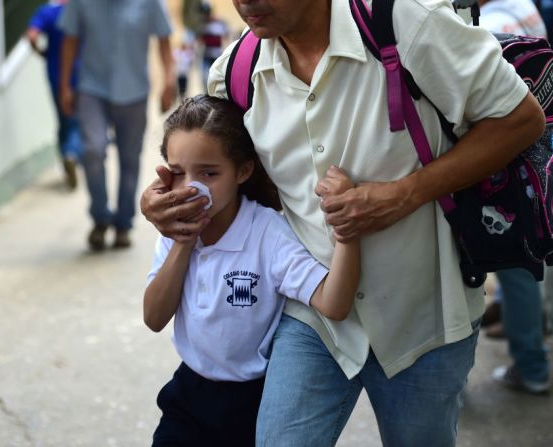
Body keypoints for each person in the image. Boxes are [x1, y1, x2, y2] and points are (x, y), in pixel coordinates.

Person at [140, 0, 545, 445]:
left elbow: (520, 119)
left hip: (426, 315)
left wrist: (405, 194)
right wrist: (165, 204)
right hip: (314, 316)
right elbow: (222, 174)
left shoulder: (406, 23)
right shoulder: (235, 73)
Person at [144, 94, 360, 446]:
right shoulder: (174, 230)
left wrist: (348, 232)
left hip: (251, 402)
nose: (190, 188)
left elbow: (333, 304)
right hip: (188, 393)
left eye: (209, 173)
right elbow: (154, 317)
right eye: (178, 173)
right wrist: (184, 241)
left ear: (243, 170)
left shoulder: (267, 234)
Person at [58, 0, 176, 251]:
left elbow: (164, 40)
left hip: (134, 91)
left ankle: (123, 224)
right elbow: (70, 40)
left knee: (130, 159)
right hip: (92, 89)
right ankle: (100, 218)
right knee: (92, 150)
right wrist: (65, 86)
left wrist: (168, 81)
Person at [477, 0, 551, 395]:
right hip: (535, 158)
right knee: (529, 262)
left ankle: (533, 367)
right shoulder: (521, 5)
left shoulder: (490, 24)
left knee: (516, 268)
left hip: (504, 166)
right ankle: (531, 344)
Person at [26, 0, 82, 190]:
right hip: (80, 74)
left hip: (56, 76)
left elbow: (32, 36)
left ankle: (67, 155)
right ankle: (72, 154)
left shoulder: (47, 12)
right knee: (78, 121)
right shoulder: (79, 9)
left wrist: (41, 52)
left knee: (63, 119)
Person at [198, 2, 230, 90]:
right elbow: (200, 39)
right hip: (206, 55)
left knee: (218, 77)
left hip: (217, 55)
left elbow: (227, 34)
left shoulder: (219, 23)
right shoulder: (202, 25)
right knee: (205, 77)